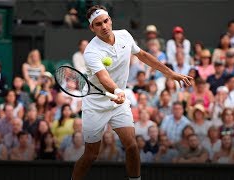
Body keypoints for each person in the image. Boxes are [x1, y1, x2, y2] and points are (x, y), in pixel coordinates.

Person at [71, 5, 193, 180]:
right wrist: (118, 90)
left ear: (110, 20)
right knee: (91, 155)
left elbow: (142, 54)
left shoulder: (125, 36)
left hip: (118, 102)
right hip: (96, 105)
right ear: (92, 28)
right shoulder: (91, 51)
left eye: (106, 21)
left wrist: (170, 73)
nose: (104, 26)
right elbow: (104, 78)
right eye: (98, 24)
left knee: (132, 146)